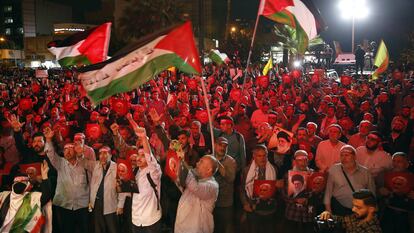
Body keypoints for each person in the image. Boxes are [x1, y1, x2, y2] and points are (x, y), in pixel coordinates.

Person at [44, 127, 90, 233]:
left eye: (70, 148)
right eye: (65, 149)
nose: (67, 151)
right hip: (64, 205)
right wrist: (48, 140)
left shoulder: (84, 163)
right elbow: (50, 153)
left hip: (82, 205)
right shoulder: (60, 163)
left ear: (76, 150)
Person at [79, 146, 126, 233]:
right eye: (100, 153)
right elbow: (84, 162)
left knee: (113, 229)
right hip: (96, 204)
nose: (102, 156)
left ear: (110, 155)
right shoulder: (96, 165)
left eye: (105, 153)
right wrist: (79, 153)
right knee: (98, 230)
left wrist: (120, 205)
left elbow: (122, 189)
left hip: (111, 205)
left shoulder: (117, 167)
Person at [0, 161, 51, 232]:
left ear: (28, 185)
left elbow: (46, 196)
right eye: (17, 182)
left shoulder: (32, 197)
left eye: (22, 182)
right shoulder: (3, 196)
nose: (19, 184)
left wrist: (45, 177)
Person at [324, 145, 376, 216]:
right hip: (339, 208)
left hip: (360, 211)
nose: (343, 158)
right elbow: (328, 193)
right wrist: (329, 211)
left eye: (347, 155)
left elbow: (372, 193)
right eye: (341, 155)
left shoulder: (365, 172)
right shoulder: (334, 170)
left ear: (354, 157)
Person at [175, 155, 219, 233]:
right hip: (183, 226)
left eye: (201, 162)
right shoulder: (197, 178)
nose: (197, 164)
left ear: (209, 169)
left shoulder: (212, 186)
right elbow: (184, 179)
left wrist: (182, 161)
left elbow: (195, 187)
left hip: (197, 229)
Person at [240, 144, 277, 233]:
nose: (262, 158)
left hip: (269, 210)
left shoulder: (274, 169)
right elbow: (242, 189)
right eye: (259, 156)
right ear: (254, 156)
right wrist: (245, 203)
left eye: (264, 155)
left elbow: (276, 191)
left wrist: (277, 185)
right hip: (253, 209)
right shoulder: (247, 171)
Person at [213, 137, 237, 233]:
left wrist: (218, 164)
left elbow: (230, 178)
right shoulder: (209, 158)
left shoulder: (231, 161)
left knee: (225, 228)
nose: (222, 148)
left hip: (225, 203)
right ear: (215, 145)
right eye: (220, 145)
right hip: (211, 202)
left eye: (225, 146)